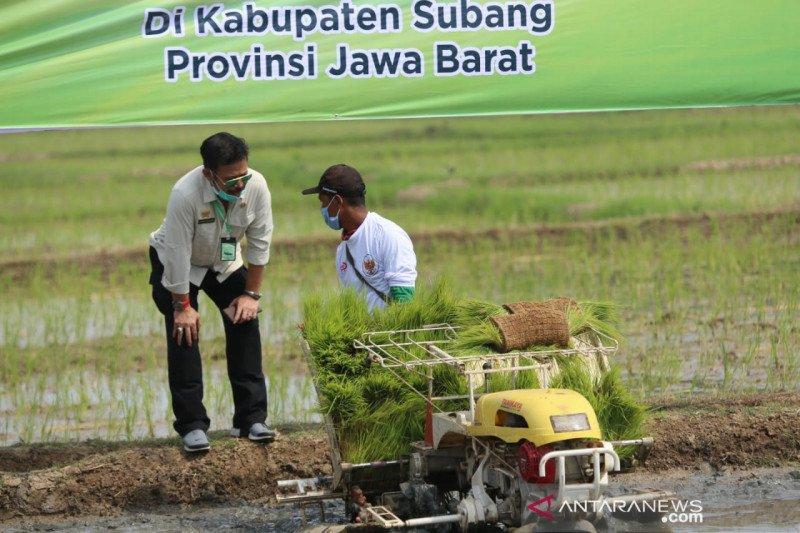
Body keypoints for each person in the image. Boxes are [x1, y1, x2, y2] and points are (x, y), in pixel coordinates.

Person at [148, 132, 276, 452]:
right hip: (179, 264)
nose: (240, 184)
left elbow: (260, 244)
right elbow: (177, 253)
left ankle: (251, 419)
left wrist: (251, 296)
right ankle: (192, 425)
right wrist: (182, 306)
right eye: (231, 179)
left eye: (243, 175)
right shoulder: (185, 194)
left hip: (223, 262)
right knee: (184, 333)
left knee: (244, 319)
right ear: (209, 174)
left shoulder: (256, 186)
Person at [302, 164, 416, 309]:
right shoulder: (342, 251)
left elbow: (405, 302)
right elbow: (352, 307)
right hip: (364, 332)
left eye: (324, 202)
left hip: (389, 331)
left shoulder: (388, 236)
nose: (322, 209)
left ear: (337, 202)